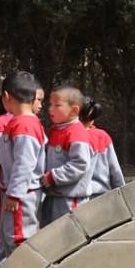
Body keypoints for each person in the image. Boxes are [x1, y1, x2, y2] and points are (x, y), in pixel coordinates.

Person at [0, 71, 46, 267]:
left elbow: (24, 163)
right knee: (10, 239)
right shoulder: (20, 122)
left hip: (21, 197)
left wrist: (15, 194)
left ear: (6, 97)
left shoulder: (25, 124)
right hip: (14, 195)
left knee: (19, 240)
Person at [41, 85, 94, 227]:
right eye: (50, 104)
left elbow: (81, 164)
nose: (51, 109)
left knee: (68, 238)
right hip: (53, 196)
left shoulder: (76, 133)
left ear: (74, 110)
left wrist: (54, 176)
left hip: (71, 199)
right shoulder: (55, 130)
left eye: (57, 105)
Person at [81, 96, 125, 199]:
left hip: (77, 197)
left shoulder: (69, 135)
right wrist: (122, 194)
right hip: (101, 196)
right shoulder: (102, 136)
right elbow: (115, 171)